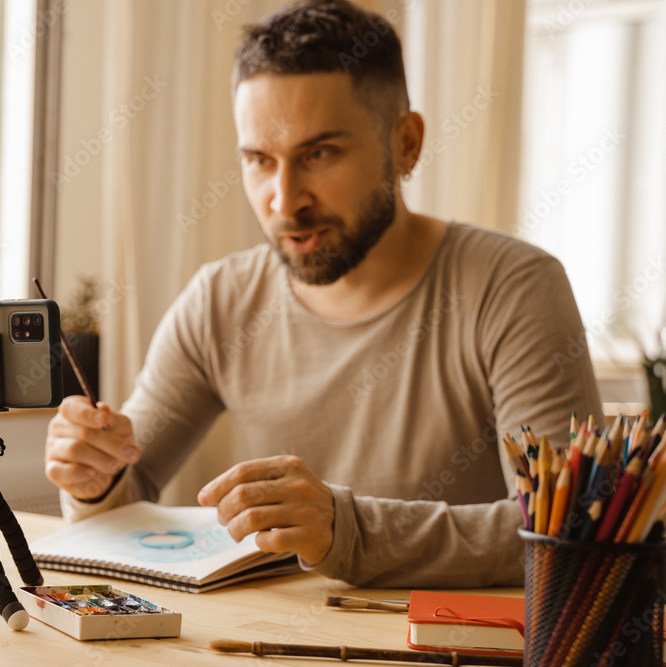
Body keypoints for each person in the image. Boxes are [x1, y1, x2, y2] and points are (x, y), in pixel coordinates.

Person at [44, 0, 603, 587]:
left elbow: (567, 529)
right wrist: (94, 478)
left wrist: (349, 531)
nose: (285, 200)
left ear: (406, 144)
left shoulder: (513, 287)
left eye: (319, 154)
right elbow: (122, 506)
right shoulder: (219, 301)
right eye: (260, 160)